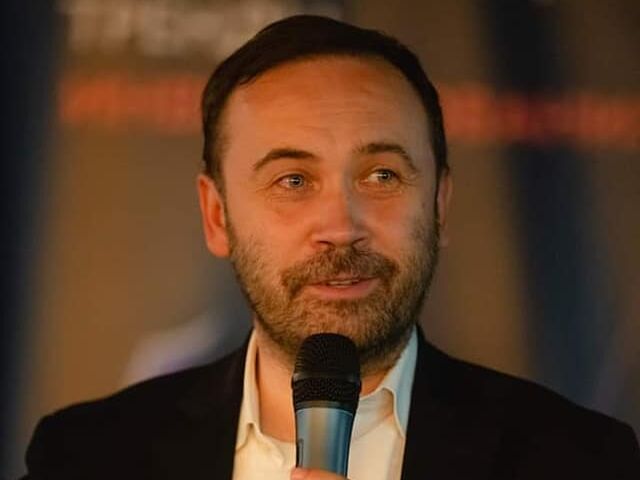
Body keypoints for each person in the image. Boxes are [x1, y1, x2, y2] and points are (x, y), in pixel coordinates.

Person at [22, 15, 640, 480]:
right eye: (293, 181)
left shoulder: (581, 460)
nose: (341, 226)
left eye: (382, 175)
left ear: (440, 205)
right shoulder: (89, 455)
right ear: (216, 216)